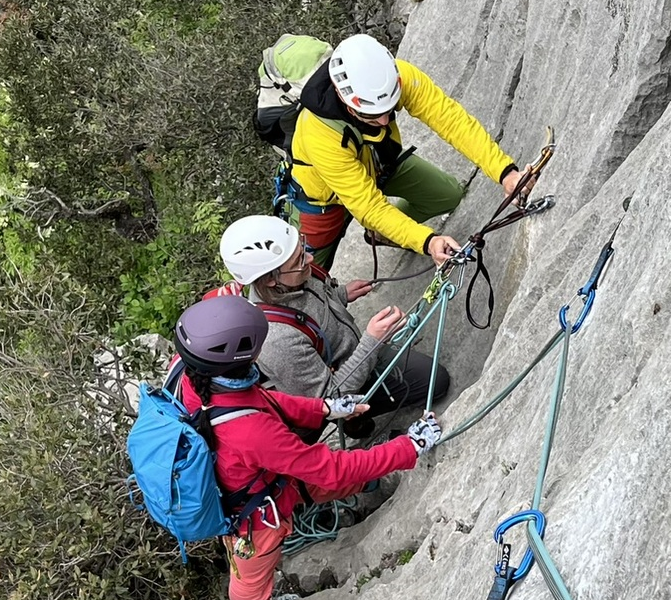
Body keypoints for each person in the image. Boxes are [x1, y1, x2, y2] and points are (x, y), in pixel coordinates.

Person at [171, 297, 443, 600]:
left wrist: (324, 408)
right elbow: (330, 470)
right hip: (253, 521)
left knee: (316, 481)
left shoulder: (198, 377)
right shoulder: (251, 433)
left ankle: (374, 481)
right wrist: (408, 447)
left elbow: (261, 400)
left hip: (262, 480)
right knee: (250, 585)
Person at [287, 34, 527, 269]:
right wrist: (426, 240)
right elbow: (368, 206)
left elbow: (452, 121)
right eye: (370, 115)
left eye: (389, 109)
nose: (383, 121)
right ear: (342, 96)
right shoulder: (318, 133)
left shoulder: (398, 76)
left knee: (447, 194)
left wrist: (505, 172)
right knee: (304, 273)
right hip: (323, 199)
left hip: (379, 163)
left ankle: (382, 235)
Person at [218, 215, 451, 439]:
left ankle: (361, 419)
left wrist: (341, 294)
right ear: (270, 280)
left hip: (353, 356)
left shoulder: (293, 277)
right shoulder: (277, 339)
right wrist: (372, 342)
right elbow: (330, 399)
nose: (309, 259)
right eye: (299, 260)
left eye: (302, 248)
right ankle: (356, 424)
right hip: (342, 381)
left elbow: (312, 306)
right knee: (437, 381)